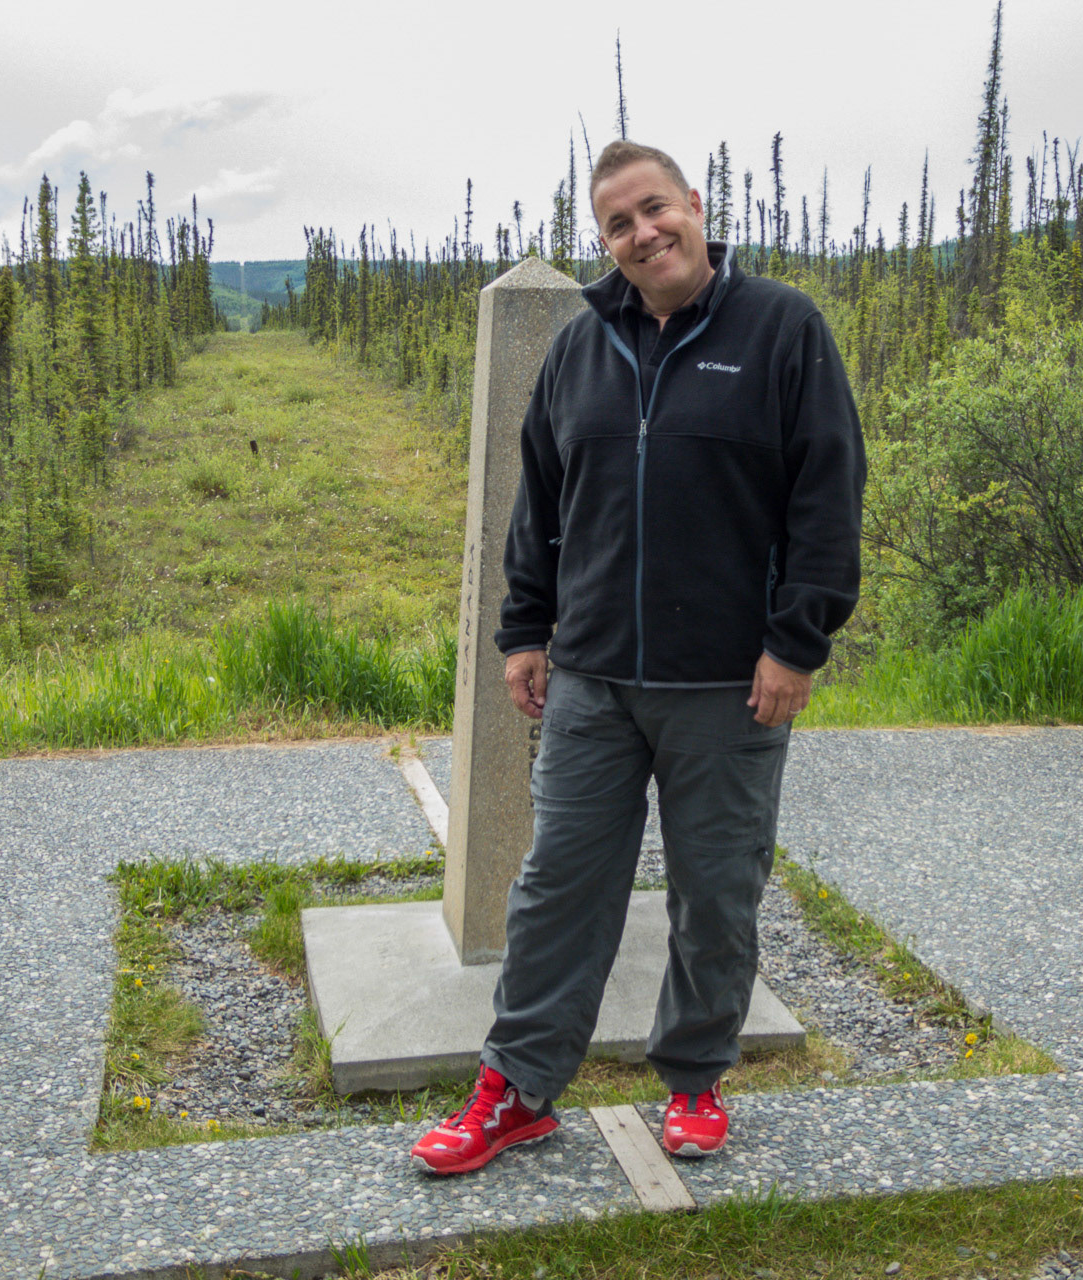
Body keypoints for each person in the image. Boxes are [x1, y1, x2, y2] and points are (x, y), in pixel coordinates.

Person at [411, 140, 864, 1176]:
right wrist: (526, 629)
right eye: (619, 224)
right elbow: (543, 499)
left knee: (717, 889)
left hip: (728, 687)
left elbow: (827, 497)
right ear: (604, 240)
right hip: (594, 683)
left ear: (696, 205)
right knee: (557, 888)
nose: (643, 233)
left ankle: (696, 1078)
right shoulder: (581, 347)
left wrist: (796, 641)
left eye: (655, 209)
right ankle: (516, 1087)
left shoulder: (781, 329)